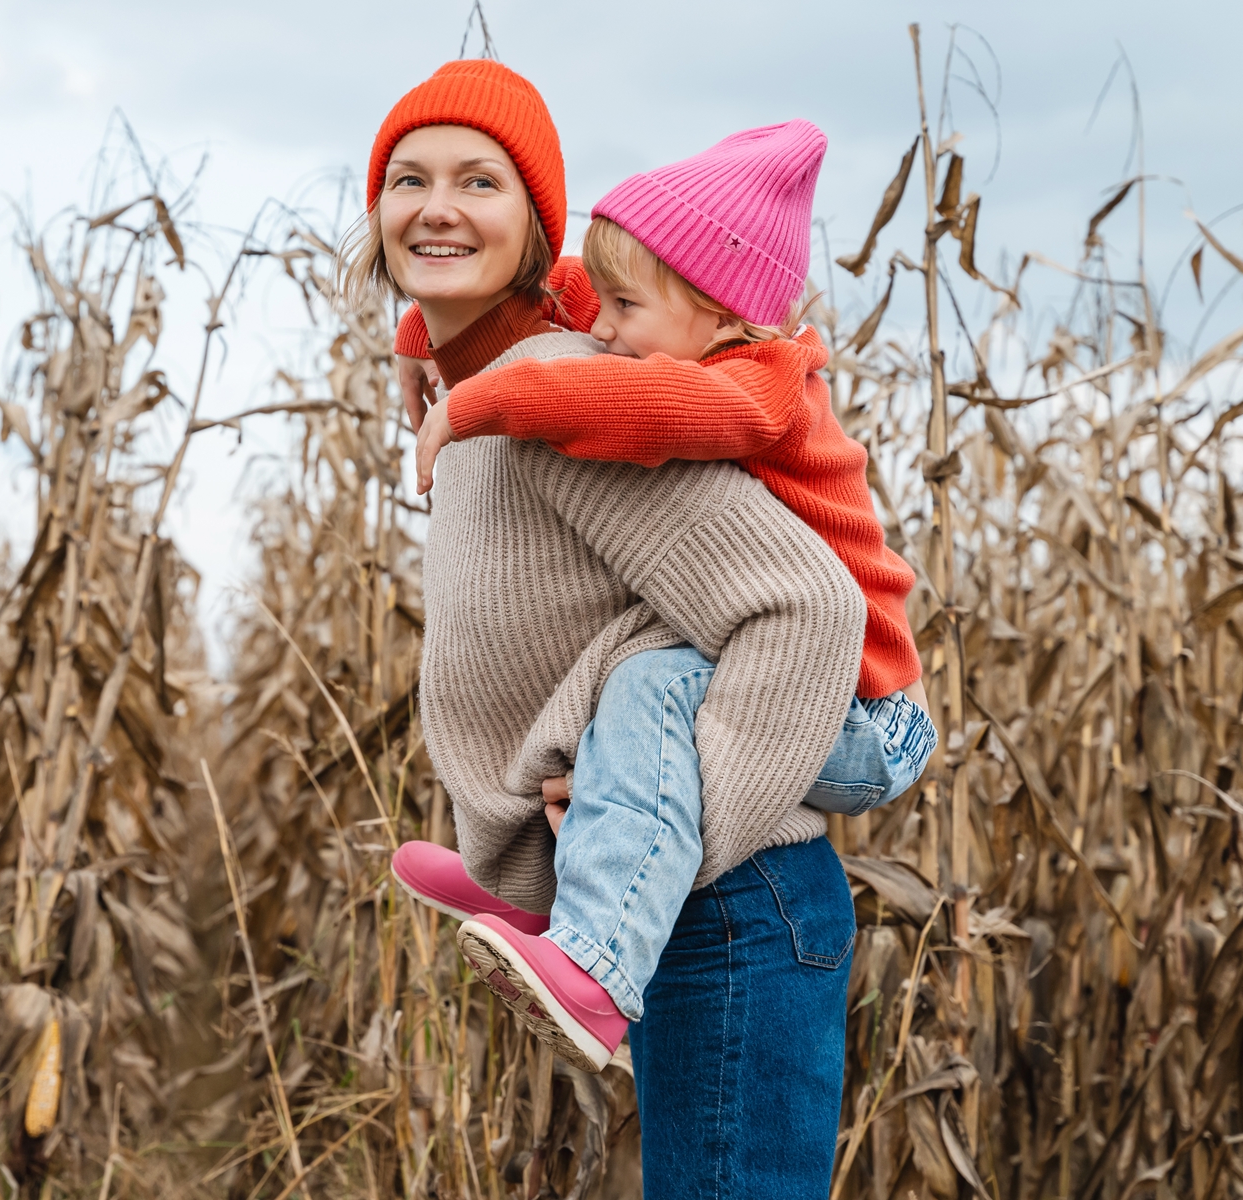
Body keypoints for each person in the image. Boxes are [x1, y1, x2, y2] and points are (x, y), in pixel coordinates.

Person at [355, 59, 867, 1197]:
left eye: (479, 181)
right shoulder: (493, 389)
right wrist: (423, 354)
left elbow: (809, 605)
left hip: (733, 901)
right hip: (689, 908)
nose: (436, 206)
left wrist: (690, 821)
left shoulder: (567, 399)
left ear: (538, 226)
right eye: (406, 178)